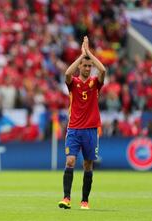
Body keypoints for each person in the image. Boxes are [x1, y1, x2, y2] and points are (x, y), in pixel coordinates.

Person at [58, 36, 106, 210]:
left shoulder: (95, 83)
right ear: (80, 66)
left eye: (88, 66)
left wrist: (89, 54)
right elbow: (67, 74)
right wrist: (81, 55)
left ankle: (84, 200)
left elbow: (103, 71)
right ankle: (66, 198)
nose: (87, 68)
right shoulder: (74, 83)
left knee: (87, 164)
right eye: (84, 65)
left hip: (91, 130)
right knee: (70, 161)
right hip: (74, 129)